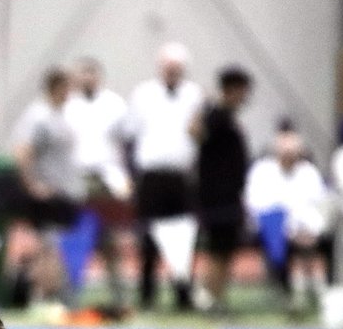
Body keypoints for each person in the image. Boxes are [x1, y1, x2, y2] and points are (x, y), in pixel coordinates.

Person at [126, 42, 204, 310]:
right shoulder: (143, 94)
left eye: (176, 67)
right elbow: (132, 133)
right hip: (151, 176)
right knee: (148, 238)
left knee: (183, 237)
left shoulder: (194, 95)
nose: (172, 71)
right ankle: (147, 293)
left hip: (181, 177)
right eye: (168, 66)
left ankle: (183, 293)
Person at [64, 57, 132, 310]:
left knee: (110, 240)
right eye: (83, 74)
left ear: (99, 77)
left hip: (107, 179)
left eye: (91, 74)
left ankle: (119, 295)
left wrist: (124, 179)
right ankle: (70, 297)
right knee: (76, 240)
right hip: (77, 179)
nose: (87, 79)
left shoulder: (114, 104)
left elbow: (127, 142)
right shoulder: (69, 105)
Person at [11, 67, 84, 305]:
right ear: (57, 87)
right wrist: (33, 185)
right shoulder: (39, 117)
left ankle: (47, 294)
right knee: (48, 246)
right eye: (67, 88)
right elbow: (22, 152)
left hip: (62, 192)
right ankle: (46, 295)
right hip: (47, 193)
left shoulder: (59, 115)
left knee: (52, 246)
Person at [245, 127, 331, 312]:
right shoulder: (262, 171)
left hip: (308, 229)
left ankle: (322, 291)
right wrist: (290, 230)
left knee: (325, 242)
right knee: (278, 235)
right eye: (285, 153)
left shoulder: (309, 172)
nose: (289, 158)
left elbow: (319, 204)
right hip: (274, 228)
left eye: (293, 154)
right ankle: (288, 292)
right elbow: (257, 206)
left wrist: (310, 230)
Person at [194, 66, 253, 313]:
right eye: (243, 91)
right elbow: (195, 132)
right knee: (218, 249)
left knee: (226, 249)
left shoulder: (228, 117)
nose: (246, 96)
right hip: (218, 195)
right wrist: (204, 107)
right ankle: (207, 296)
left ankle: (216, 296)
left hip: (230, 194)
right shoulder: (216, 115)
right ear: (232, 90)